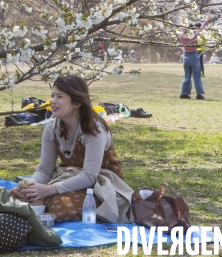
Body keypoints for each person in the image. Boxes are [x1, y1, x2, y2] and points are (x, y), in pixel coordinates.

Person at [12, 75, 133, 223]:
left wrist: (49, 190)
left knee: (60, 207)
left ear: (76, 103)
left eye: (60, 96)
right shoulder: (51, 128)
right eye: (52, 95)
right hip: (68, 178)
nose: (53, 101)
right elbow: (44, 169)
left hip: (100, 185)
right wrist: (32, 186)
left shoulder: (94, 129)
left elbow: (89, 176)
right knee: (15, 195)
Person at [179, 15, 211, 100]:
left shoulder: (182, 37)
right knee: (197, 76)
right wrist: (206, 20)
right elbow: (201, 29)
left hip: (185, 57)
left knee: (187, 76)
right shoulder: (194, 36)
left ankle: (184, 93)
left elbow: (182, 29)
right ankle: (199, 94)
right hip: (193, 56)